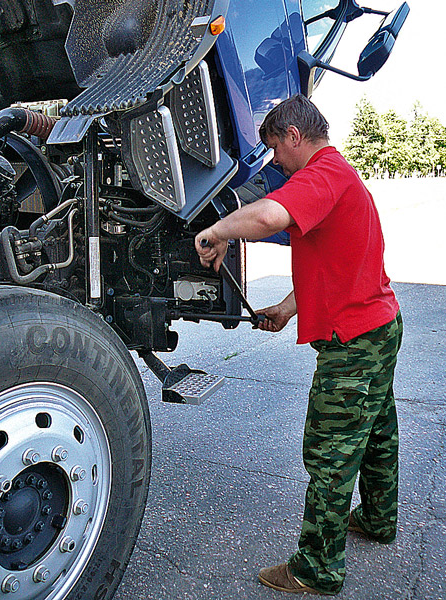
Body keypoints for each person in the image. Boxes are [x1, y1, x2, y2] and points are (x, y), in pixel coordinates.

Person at [195, 94, 403, 596]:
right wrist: (288, 309)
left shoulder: (321, 174)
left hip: (354, 341)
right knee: (375, 432)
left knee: (330, 453)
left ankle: (317, 568)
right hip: (378, 326)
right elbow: (335, 259)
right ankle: (378, 518)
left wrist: (218, 230)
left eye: (276, 151)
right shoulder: (336, 177)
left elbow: (268, 217)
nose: (276, 164)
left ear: (293, 135)